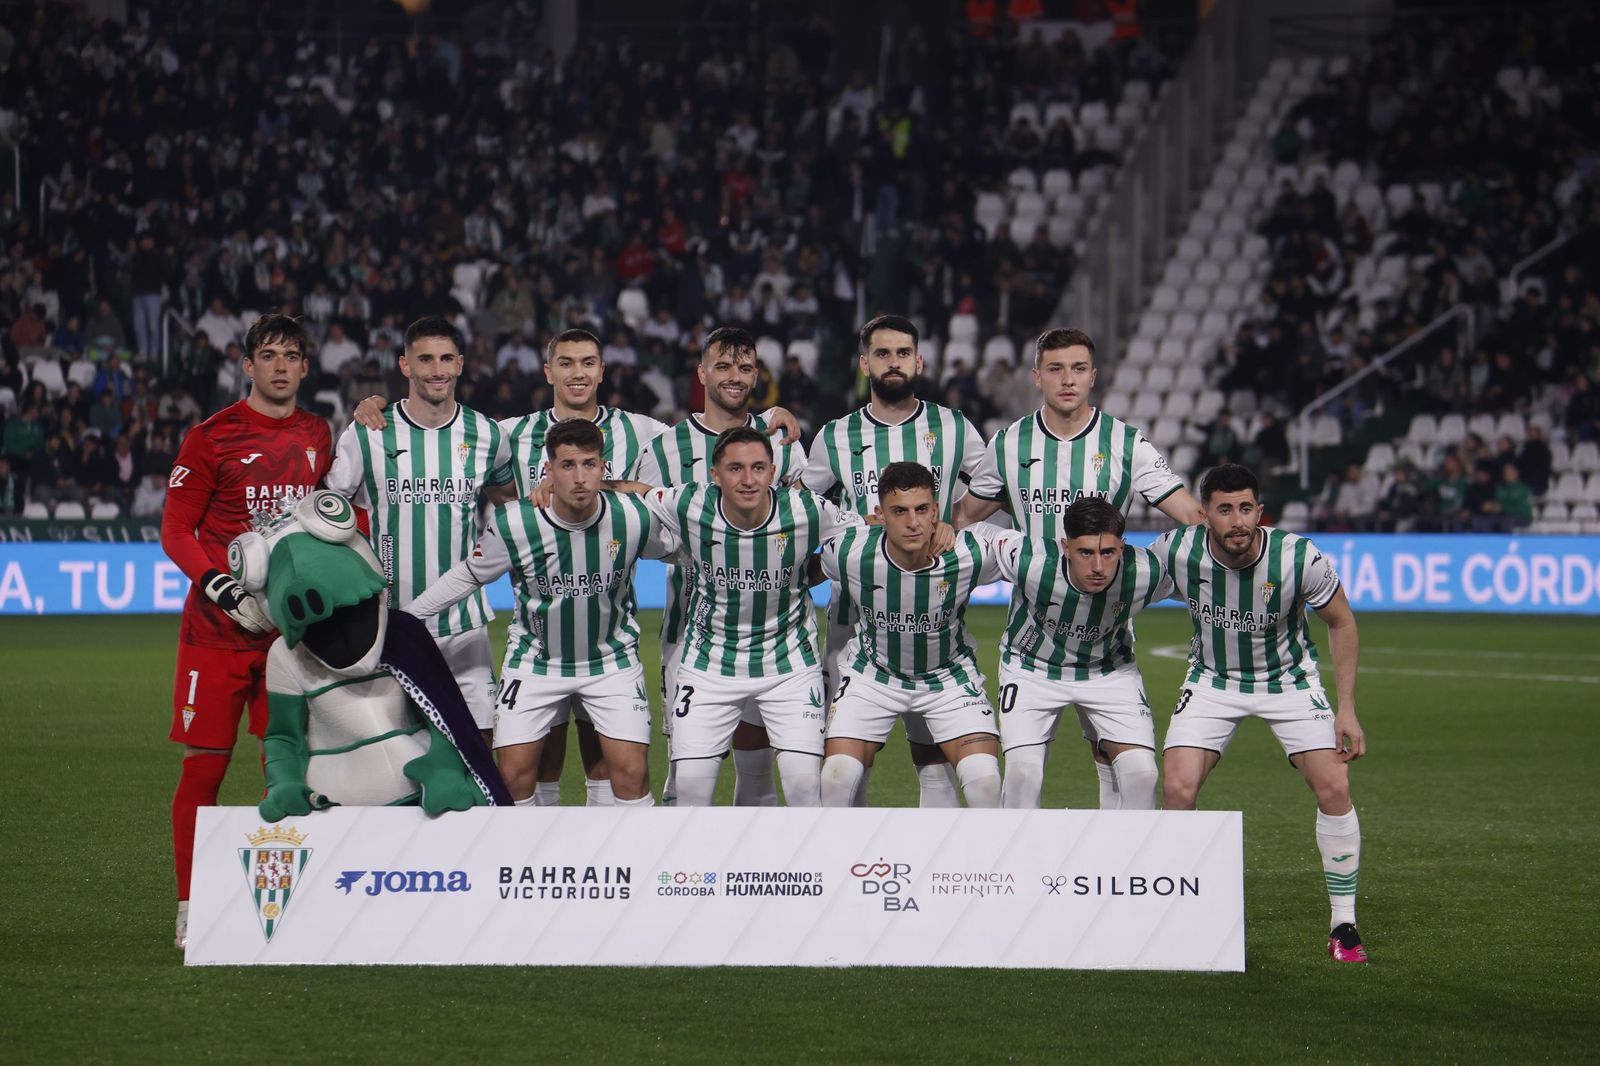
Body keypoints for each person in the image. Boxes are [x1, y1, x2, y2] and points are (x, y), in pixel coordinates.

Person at [955, 327, 1205, 807]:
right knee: (1023, 777)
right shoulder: (1009, 444)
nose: (1067, 379)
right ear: (1036, 377)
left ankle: (1111, 872)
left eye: (1077, 369)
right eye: (1055, 369)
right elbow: (966, 518)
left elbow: (1192, 517)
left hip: (1107, 644)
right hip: (1033, 638)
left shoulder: (1126, 443)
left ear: (1094, 376)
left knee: (1130, 773)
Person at [159, 314, 332, 950]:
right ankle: (189, 904)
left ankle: (284, 903)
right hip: (214, 634)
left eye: (292, 355)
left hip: (289, 635)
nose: (281, 365)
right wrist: (223, 589)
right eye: (269, 354)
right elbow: (176, 530)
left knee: (287, 768)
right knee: (203, 768)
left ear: (306, 367)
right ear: (248, 364)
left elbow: (336, 517)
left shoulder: (319, 435)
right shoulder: (211, 437)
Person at [1152, 463, 1369, 963]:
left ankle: (1344, 923)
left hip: (1288, 682)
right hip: (1212, 680)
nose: (1237, 521)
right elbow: (1125, 587)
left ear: (1260, 512)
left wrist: (1347, 709)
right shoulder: (1177, 552)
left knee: (1335, 786)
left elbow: (1342, 621)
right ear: (1205, 516)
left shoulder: (1298, 558)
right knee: (1178, 787)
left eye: (1246, 508)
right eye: (1225, 510)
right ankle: (1174, 914)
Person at [406, 420, 671, 808]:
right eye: (567, 466)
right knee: (512, 778)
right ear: (548, 470)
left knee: (632, 774)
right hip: (535, 662)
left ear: (603, 468)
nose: (579, 477)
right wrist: (407, 618)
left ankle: (634, 867)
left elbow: (678, 544)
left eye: (589, 464)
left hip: (611, 661)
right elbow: (467, 576)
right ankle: (523, 865)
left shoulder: (632, 516)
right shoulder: (515, 522)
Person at [800, 314, 985, 807]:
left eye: (903, 353)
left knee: (935, 765)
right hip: (853, 626)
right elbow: (800, 513)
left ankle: (931, 874)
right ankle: (852, 874)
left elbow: (995, 491)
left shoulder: (953, 427)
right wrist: (852, 528)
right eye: (882, 354)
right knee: (846, 771)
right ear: (865, 364)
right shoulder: (834, 436)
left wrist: (957, 522)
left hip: (935, 620)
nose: (894, 362)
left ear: (919, 361)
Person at [630, 427, 864, 806]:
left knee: (806, 787)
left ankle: (801, 866)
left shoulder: (806, 509)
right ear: (714, 474)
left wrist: (813, 571)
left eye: (758, 467)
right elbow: (636, 492)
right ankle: (696, 867)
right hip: (709, 664)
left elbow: (861, 532)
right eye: (735, 468)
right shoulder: (690, 503)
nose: (748, 479)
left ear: (773, 472)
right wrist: (559, 491)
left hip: (789, 665)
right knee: (688, 787)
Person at [634, 326, 807, 806]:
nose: (734, 376)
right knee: (685, 778)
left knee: (759, 774)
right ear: (702, 372)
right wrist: (702, 543)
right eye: (724, 366)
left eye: (745, 368)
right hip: (690, 637)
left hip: (776, 640)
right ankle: (685, 878)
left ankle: (749, 876)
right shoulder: (665, 448)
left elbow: (802, 527)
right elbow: (648, 537)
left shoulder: (784, 443)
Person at [324, 316, 508, 742]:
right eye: (425, 359)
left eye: (446, 359)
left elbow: (510, 505)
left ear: (461, 364)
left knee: (479, 747)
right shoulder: (368, 432)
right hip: (391, 622)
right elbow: (329, 512)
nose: (437, 369)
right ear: (405, 366)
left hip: (465, 625)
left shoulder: (487, 434)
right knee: (393, 753)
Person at [969, 497, 1172, 809]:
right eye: (1085, 553)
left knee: (1142, 774)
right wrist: (944, 528)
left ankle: (1125, 855)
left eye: (1108, 552)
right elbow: (978, 529)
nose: (1098, 567)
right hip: (1032, 668)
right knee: (1023, 775)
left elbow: (1203, 582)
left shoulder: (1147, 572)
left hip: (1109, 670)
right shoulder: (1030, 560)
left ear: (1123, 546)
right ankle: (1020, 856)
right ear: (1066, 547)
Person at [817, 462, 1001, 808]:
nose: (912, 522)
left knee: (985, 781)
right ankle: (849, 862)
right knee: (836, 777)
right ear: (880, 515)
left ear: (935, 511)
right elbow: (804, 563)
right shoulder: (849, 552)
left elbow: (1028, 557)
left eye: (921, 510)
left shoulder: (969, 553)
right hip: (872, 676)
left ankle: (970, 864)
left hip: (948, 680)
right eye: (899, 511)